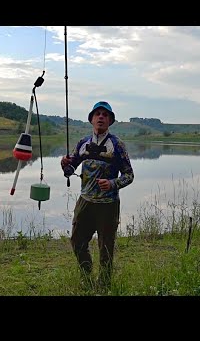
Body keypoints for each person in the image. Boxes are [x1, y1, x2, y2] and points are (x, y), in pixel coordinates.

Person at [61, 101, 134, 289]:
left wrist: (112, 183)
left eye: (105, 114)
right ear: (92, 119)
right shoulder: (82, 143)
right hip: (85, 202)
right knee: (77, 242)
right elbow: (70, 170)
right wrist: (64, 165)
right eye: (97, 114)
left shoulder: (118, 145)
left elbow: (129, 175)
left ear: (110, 120)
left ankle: (104, 286)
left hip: (108, 205)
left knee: (106, 248)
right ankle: (87, 278)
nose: (101, 117)